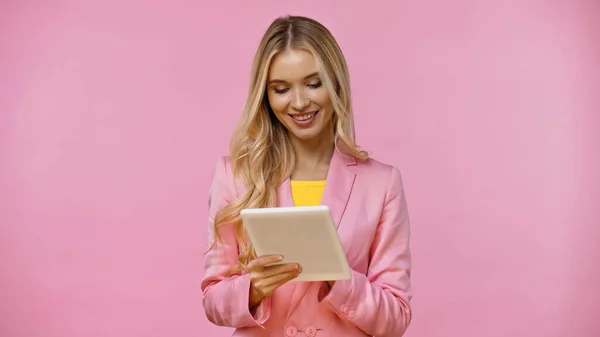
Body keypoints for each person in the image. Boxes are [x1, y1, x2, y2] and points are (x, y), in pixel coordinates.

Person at [201, 15, 412, 337]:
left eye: (314, 84)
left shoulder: (381, 184)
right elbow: (213, 300)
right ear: (266, 97)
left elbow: (396, 318)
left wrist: (340, 278)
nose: (299, 103)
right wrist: (252, 289)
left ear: (336, 84)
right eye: (281, 89)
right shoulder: (236, 176)